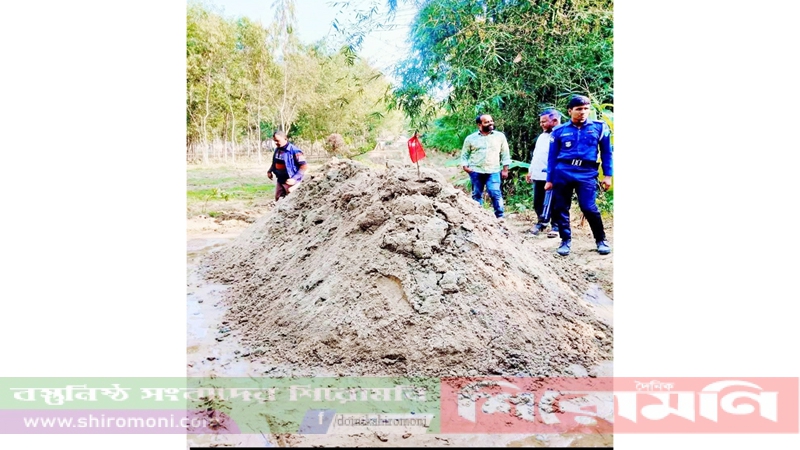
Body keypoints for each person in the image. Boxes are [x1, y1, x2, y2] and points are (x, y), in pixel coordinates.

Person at [545, 95, 613, 256]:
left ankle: (601, 240)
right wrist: (549, 179)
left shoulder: (599, 128)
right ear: (570, 111)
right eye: (579, 109)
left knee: (589, 207)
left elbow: (606, 153)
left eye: (586, 109)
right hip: (563, 172)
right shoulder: (559, 131)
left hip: (587, 173)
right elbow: (552, 157)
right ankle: (565, 241)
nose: (583, 112)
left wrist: (608, 175)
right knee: (561, 207)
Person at [460, 114, 512, 218]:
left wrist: (505, 169)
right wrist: (465, 166)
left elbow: (505, 153)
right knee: (477, 194)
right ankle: (479, 218)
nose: (491, 123)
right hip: (476, 171)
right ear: (479, 124)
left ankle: (500, 217)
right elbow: (464, 154)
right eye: (487, 122)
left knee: (495, 193)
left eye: (491, 121)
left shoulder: (499, 137)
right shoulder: (471, 138)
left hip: (493, 171)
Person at [526, 109, 561, 237]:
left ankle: (556, 226)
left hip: (553, 175)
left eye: (544, 122)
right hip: (538, 175)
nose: (541, 124)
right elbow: (536, 155)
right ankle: (541, 222)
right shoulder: (542, 136)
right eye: (541, 122)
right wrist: (531, 171)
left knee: (554, 202)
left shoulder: (561, 135)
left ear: (555, 121)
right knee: (538, 201)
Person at [267, 130, 307, 201]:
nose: (276, 143)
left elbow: (304, 166)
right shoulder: (277, 150)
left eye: (277, 141)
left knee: (291, 201)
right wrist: (270, 171)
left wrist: (295, 178)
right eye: (274, 141)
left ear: (285, 138)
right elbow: (274, 162)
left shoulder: (295, 151)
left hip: (291, 181)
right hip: (280, 180)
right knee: (278, 199)